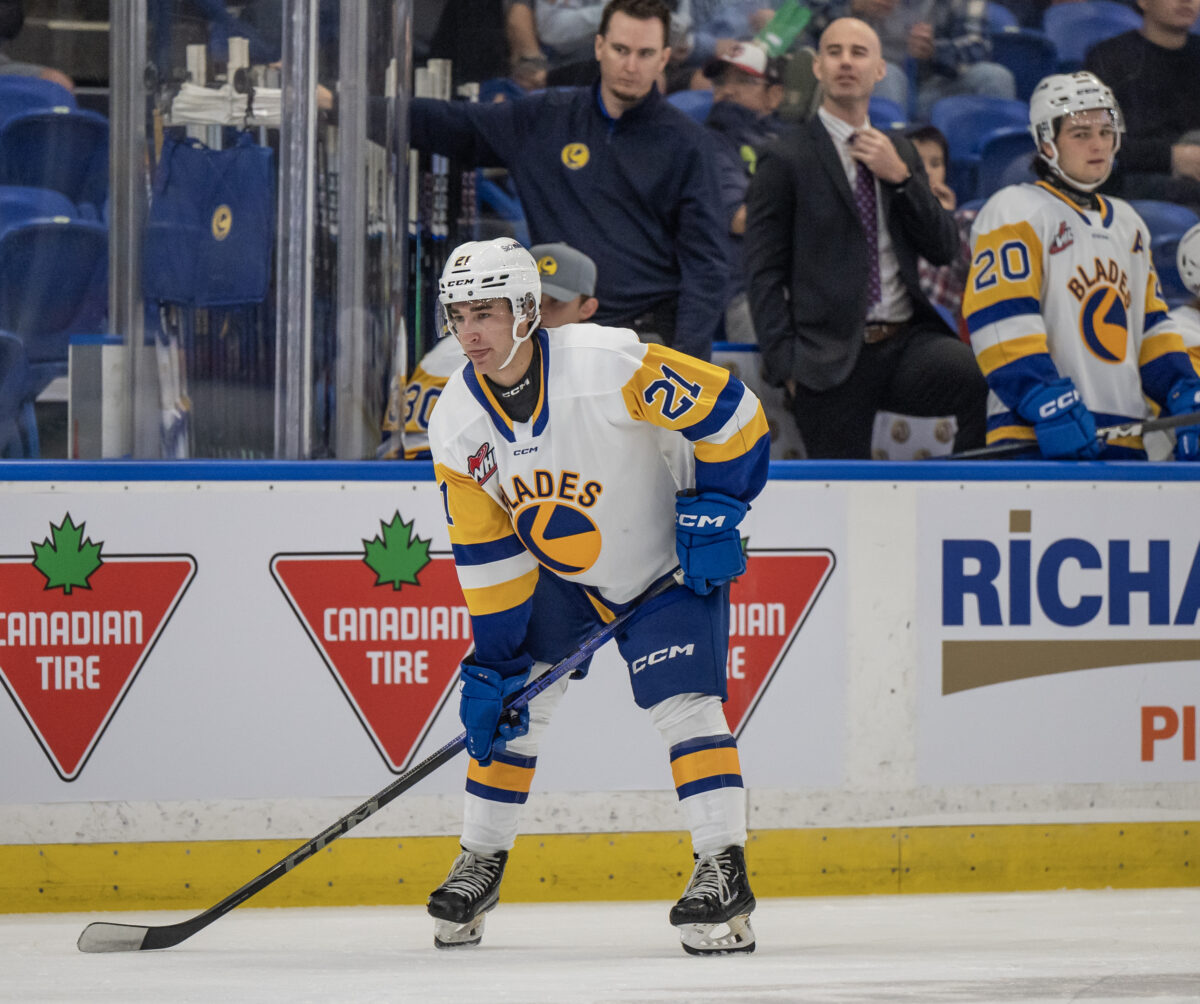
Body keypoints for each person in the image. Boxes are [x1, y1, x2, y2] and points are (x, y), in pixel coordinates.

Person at [425, 237, 769, 955]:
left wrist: (719, 505)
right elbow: (487, 555)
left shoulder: (606, 363)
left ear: (526, 310)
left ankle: (722, 868)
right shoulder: (456, 419)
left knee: (686, 706)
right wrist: (493, 664)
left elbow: (733, 411)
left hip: (663, 569)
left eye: (485, 313)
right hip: (564, 580)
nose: (470, 333)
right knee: (516, 700)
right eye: (458, 316)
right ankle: (480, 860)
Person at [408, 0, 728, 361]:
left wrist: (686, 363)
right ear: (599, 47)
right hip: (559, 341)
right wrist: (349, 107)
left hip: (647, 343)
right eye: (621, 50)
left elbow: (706, 266)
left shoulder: (689, 145)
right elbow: (455, 124)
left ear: (664, 58)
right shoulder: (545, 120)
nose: (631, 65)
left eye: (645, 53)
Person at [744, 16, 988, 459]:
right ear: (818, 67)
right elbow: (763, 273)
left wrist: (901, 178)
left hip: (905, 342)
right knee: (840, 496)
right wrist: (787, 368)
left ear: (879, 70)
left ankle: (957, 504)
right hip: (826, 358)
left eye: (858, 53)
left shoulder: (902, 152)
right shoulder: (784, 157)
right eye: (834, 52)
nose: (845, 62)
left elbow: (943, 248)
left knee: (977, 379)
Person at [964, 71, 1200, 461]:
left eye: (1106, 132)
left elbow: (1152, 328)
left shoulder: (1128, 224)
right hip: (1035, 431)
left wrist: (1183, 389)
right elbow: (1001, 320)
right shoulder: (1014, 210)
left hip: (1125, 434)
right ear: (1046, 141)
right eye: (1081, 134)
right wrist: (1041, 397)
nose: (1098, 145)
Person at [380, 242, 601, 460]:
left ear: (587, 308)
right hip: (433, 472)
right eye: (531, 299)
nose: (539, 311)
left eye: (556, 302)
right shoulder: (478, 349)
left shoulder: (583, 356)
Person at [702, 41, 785, 343]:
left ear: (774, 95)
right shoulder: (708, 143)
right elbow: (740, 218)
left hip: (798, 280)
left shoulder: (789, 142)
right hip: (743, 287)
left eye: (744, 81)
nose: (728, 90)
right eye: (721, 81)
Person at [806, 0, 1015, 120]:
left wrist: (935, 51)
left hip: (936, 85)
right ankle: (890, 155)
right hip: (877, 82)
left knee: (995, 76)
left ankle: (985, 169)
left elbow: (979, 47)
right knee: (889, 75)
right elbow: (811, 23)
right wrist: (854, 8)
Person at [1083, 0, 1200, 213]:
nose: (1187, 1)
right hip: (1138, 178)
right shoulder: (1108, 58)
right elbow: (1096, 141)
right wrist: (1172, 157)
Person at [906, 123, 977, 339]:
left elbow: (976, 285)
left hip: (944, 335)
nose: (927, 171)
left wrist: (946, 220)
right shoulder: (889, 218)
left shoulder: (965, 222)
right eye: (918, 162)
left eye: (936, 164)